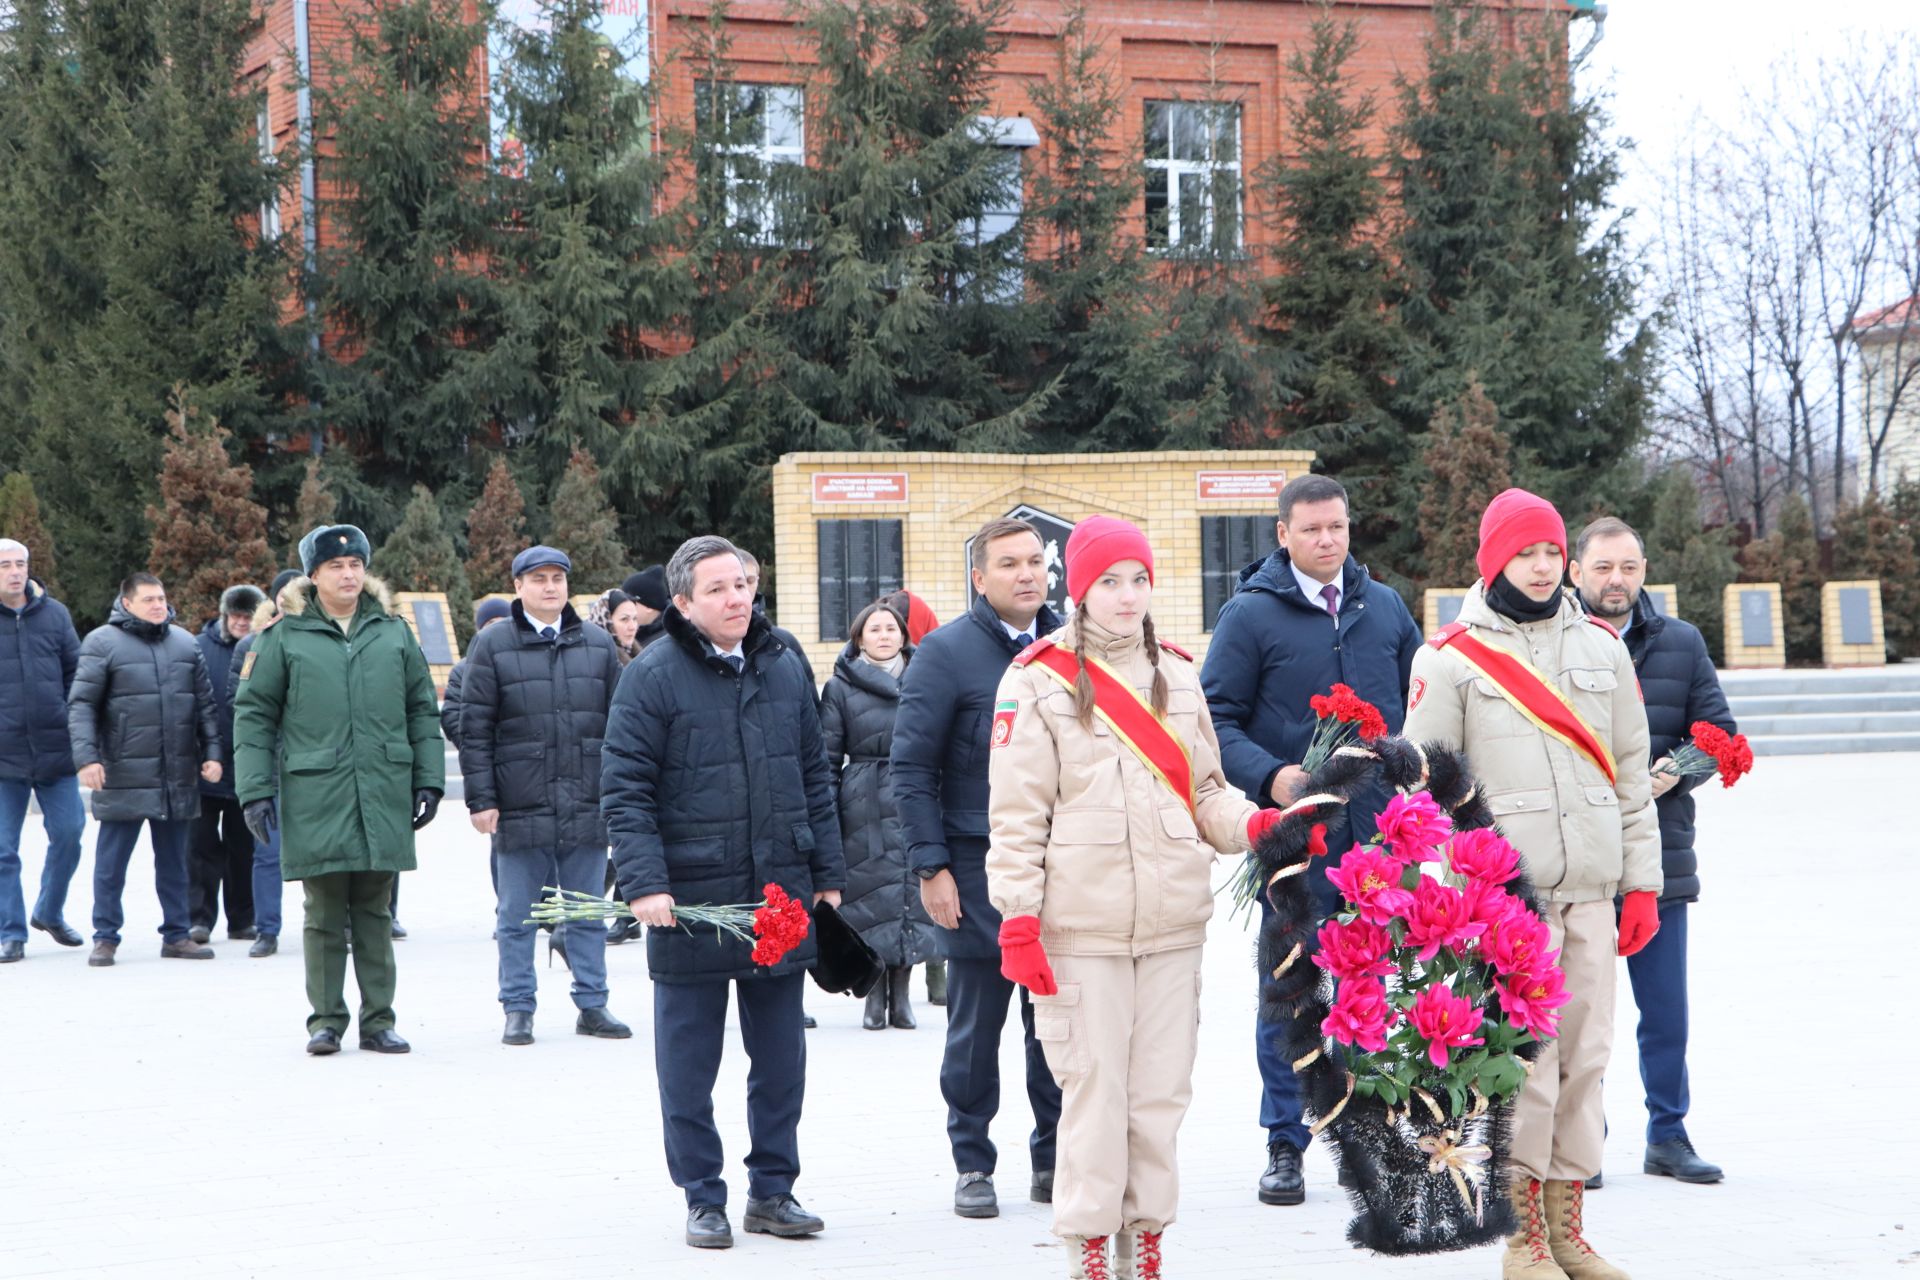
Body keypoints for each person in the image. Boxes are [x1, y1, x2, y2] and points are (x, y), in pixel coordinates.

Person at [990, 516, 1276, 1279]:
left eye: (1139, 579)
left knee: (1158, 1099)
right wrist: (1017, 918)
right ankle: (1089, 1252)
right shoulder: (1035, 680)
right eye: (1109, 581)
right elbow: (1017, 818)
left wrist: (1259, 826)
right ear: (1079, 589)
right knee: (1093, 1100)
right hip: (1080, 931)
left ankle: (1143, 1248)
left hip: (1173, 926)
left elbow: (1207, 793)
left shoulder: (1180, 675)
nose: (1127, 595)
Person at [1403, 489, 1660, 1280]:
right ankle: (1523, 1240)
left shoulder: (1602, 647)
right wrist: (1441, 902)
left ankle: (1568, 1228)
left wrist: (1640, 883)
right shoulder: (1448, 657)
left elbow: (1627, 770)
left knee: (1586, 1063)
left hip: (1590, 888)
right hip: (1505, 905)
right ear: (1494, 561)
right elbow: (1423, 790)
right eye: (1526, 553)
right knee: (1524, 1068)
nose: (1544, 566)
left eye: (1552, 551)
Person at [602, 535, 845, 1249]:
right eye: (717, 589)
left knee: (779, 1060)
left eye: (741, 583)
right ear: (682, 602)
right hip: (690, 902)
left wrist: (826, 876)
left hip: (778, 894)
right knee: (688, 1063)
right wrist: (645, 883)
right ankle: (702, 1196)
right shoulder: (652, 676)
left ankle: (774, 1191)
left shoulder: (783, 663)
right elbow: (625, 791)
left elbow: (813, 776)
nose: (736, 597)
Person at [1199, 473, 1422, 1206]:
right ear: (1284, 535)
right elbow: (1216, 723)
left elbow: (1413, 712)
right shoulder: (1250, 616)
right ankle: (1284, 1142)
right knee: (1290, 994)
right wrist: (1273, 778)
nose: (1328, 540)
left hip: (1376, 846)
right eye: (1312, 529)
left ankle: (1371, 1137)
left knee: (1373, 994)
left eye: (1338, 527)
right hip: (1297, 846)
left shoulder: (1384, 608)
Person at [891, 516, 1065, 1219]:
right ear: (979, 577)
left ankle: (1055, 1160)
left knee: (1055, 1025)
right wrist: (931, 866)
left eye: (1034, 562)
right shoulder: (945, 654)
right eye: (1008, 564)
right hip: (974, 869)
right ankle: (972, 1161)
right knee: (975, 1029)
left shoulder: (1069, 648)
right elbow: (910, 768)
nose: (1026, 574)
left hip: (1061, 868)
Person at [233, 525, 445, 1055]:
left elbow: (421, 709)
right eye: (335, 567)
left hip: (381, 787)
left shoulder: (393, 632)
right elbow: (254, 716)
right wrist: (255, 790)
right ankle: (326, 1021)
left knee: (375, 909)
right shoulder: (283, 636)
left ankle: (380, 1021)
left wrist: (429, 779)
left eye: (355, 566)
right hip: (317, 791)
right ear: (314, 575)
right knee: (324, 912)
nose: (349, 574)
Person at [1569, 517, 1731, 1187]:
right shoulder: (1553, 645)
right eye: (1603, 567)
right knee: (1580, 1013)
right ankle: (1584, 1141)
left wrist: (1674, 770)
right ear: (1577, 571)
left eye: (1629, 566)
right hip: (1577, 863)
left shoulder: (1681, 642)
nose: (1617, 580)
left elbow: (1718, 732)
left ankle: (1668, 1133)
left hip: (1661, 859)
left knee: (1664, 1013)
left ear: (1644, 570)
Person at [462, 546, 629, 1046]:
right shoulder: (492, 645)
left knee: (585, 912)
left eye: (558, 577)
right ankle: (518, 1007)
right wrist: (481, 799)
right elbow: (476, 729)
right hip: (520, 802)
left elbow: (621, 724)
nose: (550, 587)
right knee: (517, 916)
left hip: (584, 798)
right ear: (518, 586)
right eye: (538, 579)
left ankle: (593, 1004)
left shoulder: (598, 645)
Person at [67, 572, 224, 966]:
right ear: (127, 603)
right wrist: (87, 759)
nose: (158, 605)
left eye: (161, 598)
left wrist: (214, 754)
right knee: (111, 864)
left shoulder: (186, 644)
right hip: (122, 772)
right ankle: (105, 937)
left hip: (177, 773)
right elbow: (82, 704)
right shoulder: (102, 642)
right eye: (149, 599)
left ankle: (176, 935)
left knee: (174, 861)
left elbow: (205, 707)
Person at [820, 598, 938, 1031]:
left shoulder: (926, 679)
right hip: (863, 799)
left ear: (904, 636)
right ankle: (872, 995)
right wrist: (828, 813)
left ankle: (903, 993)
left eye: (891, 628)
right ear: (859, 638)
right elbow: (827, 757)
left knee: (911, 893)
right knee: (870, 896)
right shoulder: (839, 687)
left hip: (916, 792)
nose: (884, 635)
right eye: (874, 629)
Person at [0, 538, 84, 962]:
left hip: (56, 750)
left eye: (20, 564)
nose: (15, 572)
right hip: (3, 758)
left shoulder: (55, 615)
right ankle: (10, 932)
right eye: (5, 565)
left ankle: (48, 912)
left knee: (70, 835)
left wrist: (71, 720)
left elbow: (77, 673)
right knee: (2, 849)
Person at [226, 569, 299, 958]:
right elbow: (239, 708)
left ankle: (342, 924)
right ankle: (267, 929)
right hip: (272, 766)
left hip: (318, 766)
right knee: (267, 854)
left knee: (331, 852)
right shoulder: (253, 644)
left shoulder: (330, 639)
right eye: (284, 595)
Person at [188, 584, 264, 944]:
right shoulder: (199, 649)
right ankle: (199, 918)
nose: (241, 622)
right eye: (236, 615)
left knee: (242, 849)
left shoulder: (264, 648)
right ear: (224, 614)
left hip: (246, 768)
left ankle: (242, 919)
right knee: (201, 848)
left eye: (248, 616)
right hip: (205, 766)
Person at [588, 589, 644, 667]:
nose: (633, 627)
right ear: (606, 621)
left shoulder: (636, 653)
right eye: (624, 619)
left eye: (634, 619)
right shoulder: (594, 661)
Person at [620, 566, 669, 653]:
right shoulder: (638, 634)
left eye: (630, 601)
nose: (623, 606)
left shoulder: (664, 645)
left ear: (649, 607)